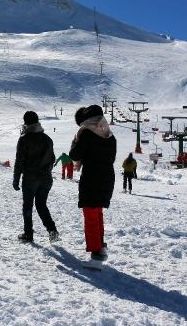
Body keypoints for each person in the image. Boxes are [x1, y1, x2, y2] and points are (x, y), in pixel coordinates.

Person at [69, 105, 116, 268]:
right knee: (97, 213)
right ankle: (100, 248)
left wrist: (75, 141)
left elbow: (74, 155)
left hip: (92, 178)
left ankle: (96, 255)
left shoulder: (86, 133)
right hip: (107, 178)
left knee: (90, 215)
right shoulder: (110, 135)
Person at [13, 111, 59, 243]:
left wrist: (16, 179)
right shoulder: (47, 138)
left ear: (26, 123)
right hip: (46, 178)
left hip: (30, 178)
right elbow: (53, 158)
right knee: (41, 205)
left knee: (28, 205)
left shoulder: (24, 139)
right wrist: (46, 172)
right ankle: (52, 231)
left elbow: (19, 162)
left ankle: (28, 234)